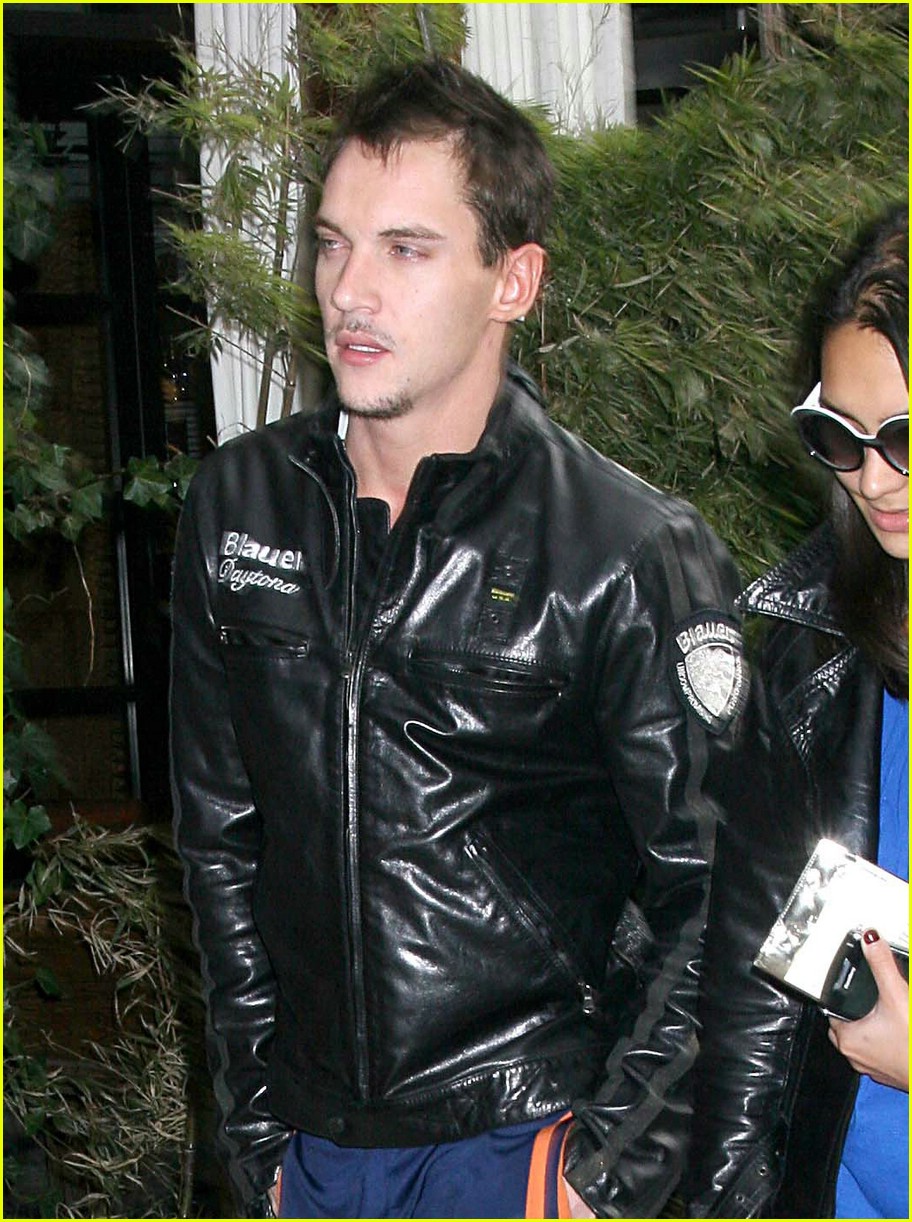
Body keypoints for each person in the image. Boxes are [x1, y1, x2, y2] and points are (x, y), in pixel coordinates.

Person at [170, 57, 746, 1219]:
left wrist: (603, 1177)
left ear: (512, 280)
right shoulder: (240, 507)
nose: (350, 290)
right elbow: (220, 849)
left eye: (406, 249)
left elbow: (725, 893)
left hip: (524, 1136)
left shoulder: (627, 549)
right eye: (333, 243)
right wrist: (258, 1135)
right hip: (314, 1151)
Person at [684, 203, 908, 1219]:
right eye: (839, 438)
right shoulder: (817, 651)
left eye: (902, 437)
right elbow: (750, 984)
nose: (872, 479)